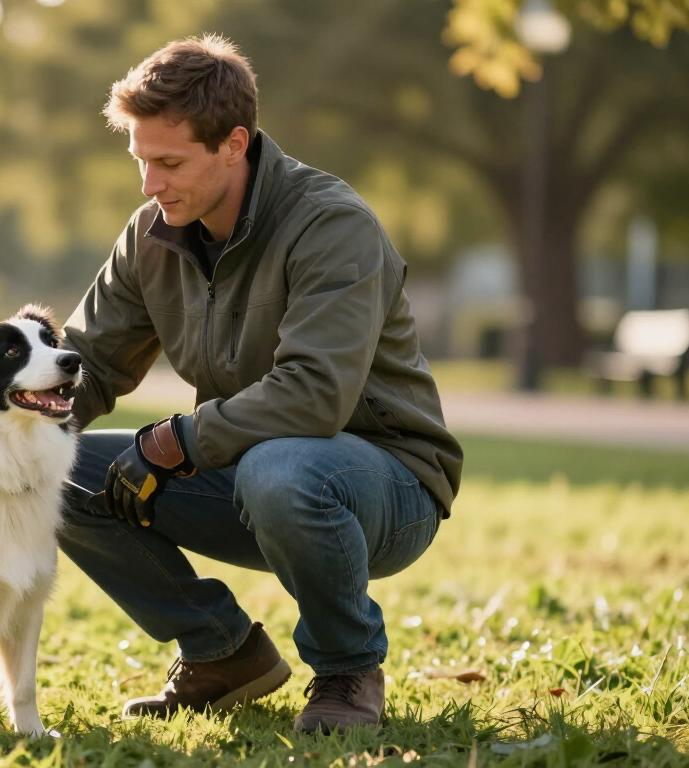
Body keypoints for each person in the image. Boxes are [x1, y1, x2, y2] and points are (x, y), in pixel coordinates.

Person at [58, 34, 464, 734]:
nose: (150, 185)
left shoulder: (331, 225)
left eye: (169, 162)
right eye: (141, 162)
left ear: (233, 143)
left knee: (283, 470)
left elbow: (313, 395)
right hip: (247, 472)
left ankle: (347, 670)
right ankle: (223, 655)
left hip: (385, 483)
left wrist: (176, 440)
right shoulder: (150, 235)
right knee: (49, 469)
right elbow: (85, 362)